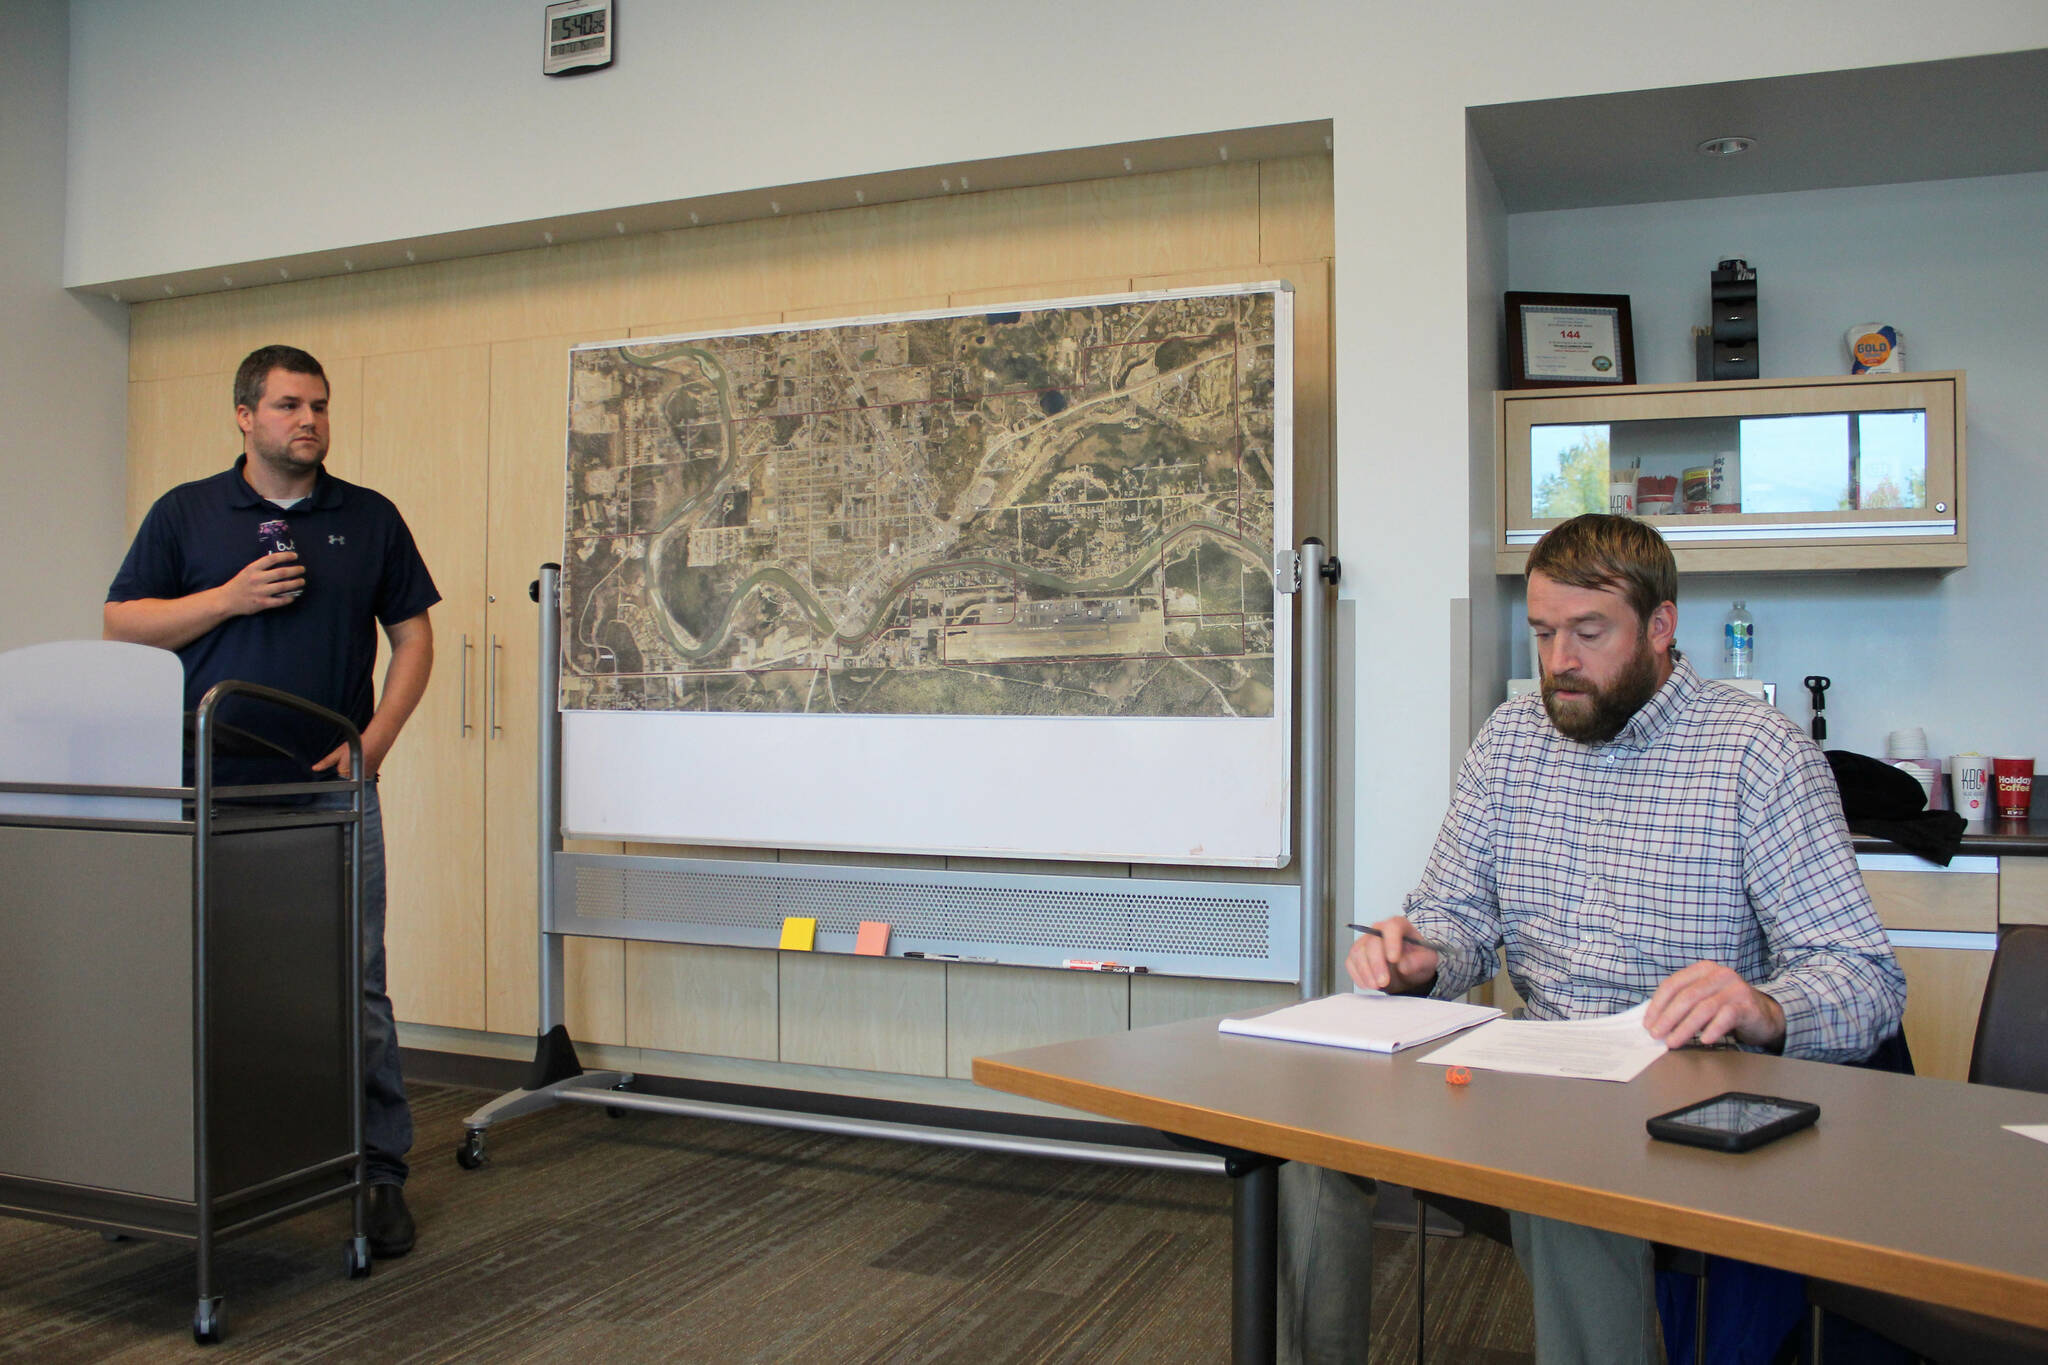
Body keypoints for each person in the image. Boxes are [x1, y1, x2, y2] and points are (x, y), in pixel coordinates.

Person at [1342, 513, 1905, 1363]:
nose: (1559, 659)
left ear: (1662, 626)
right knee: (1309, 1137)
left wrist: (1763, 1003)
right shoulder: (1511, 740)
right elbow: (1457, 919)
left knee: (1566, 1173)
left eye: (1588, 632)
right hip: (1541, 1067)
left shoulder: (1758, 754)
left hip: (1693, 1085)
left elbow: (1864, 977)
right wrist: (1421, 957)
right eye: (1543, 632)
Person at [105, 344, 439, 1259]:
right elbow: (123, 622)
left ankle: (377, 1173)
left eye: (321, 406)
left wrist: (371, 749)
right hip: (208, 788)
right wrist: (226, 598)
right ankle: (175, 1169)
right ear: (245, 415)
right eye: (290, 404)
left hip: (328, 795)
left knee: (352, 986)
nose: (310, 421)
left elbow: (414, 640)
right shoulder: (188, 512)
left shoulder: (368, 518)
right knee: (199, 984)